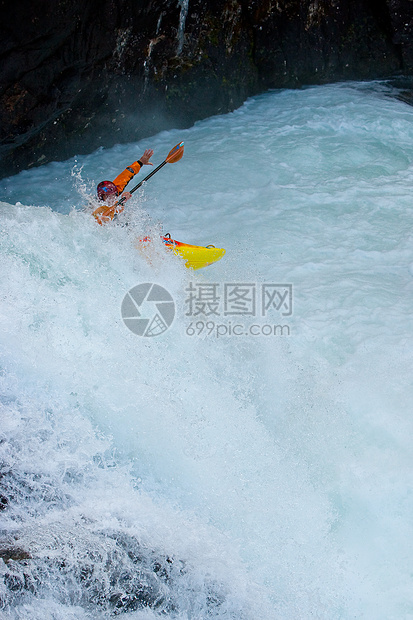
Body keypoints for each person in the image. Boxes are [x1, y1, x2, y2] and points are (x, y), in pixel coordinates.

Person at [93, 148, 154, 224]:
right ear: (101, 197)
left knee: (126, 219)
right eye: (108, 196)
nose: (112, 199)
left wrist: (140, 162)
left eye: (113, 195)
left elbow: (126, 175)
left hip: (116, 222)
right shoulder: (94, 206)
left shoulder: (114, 189)